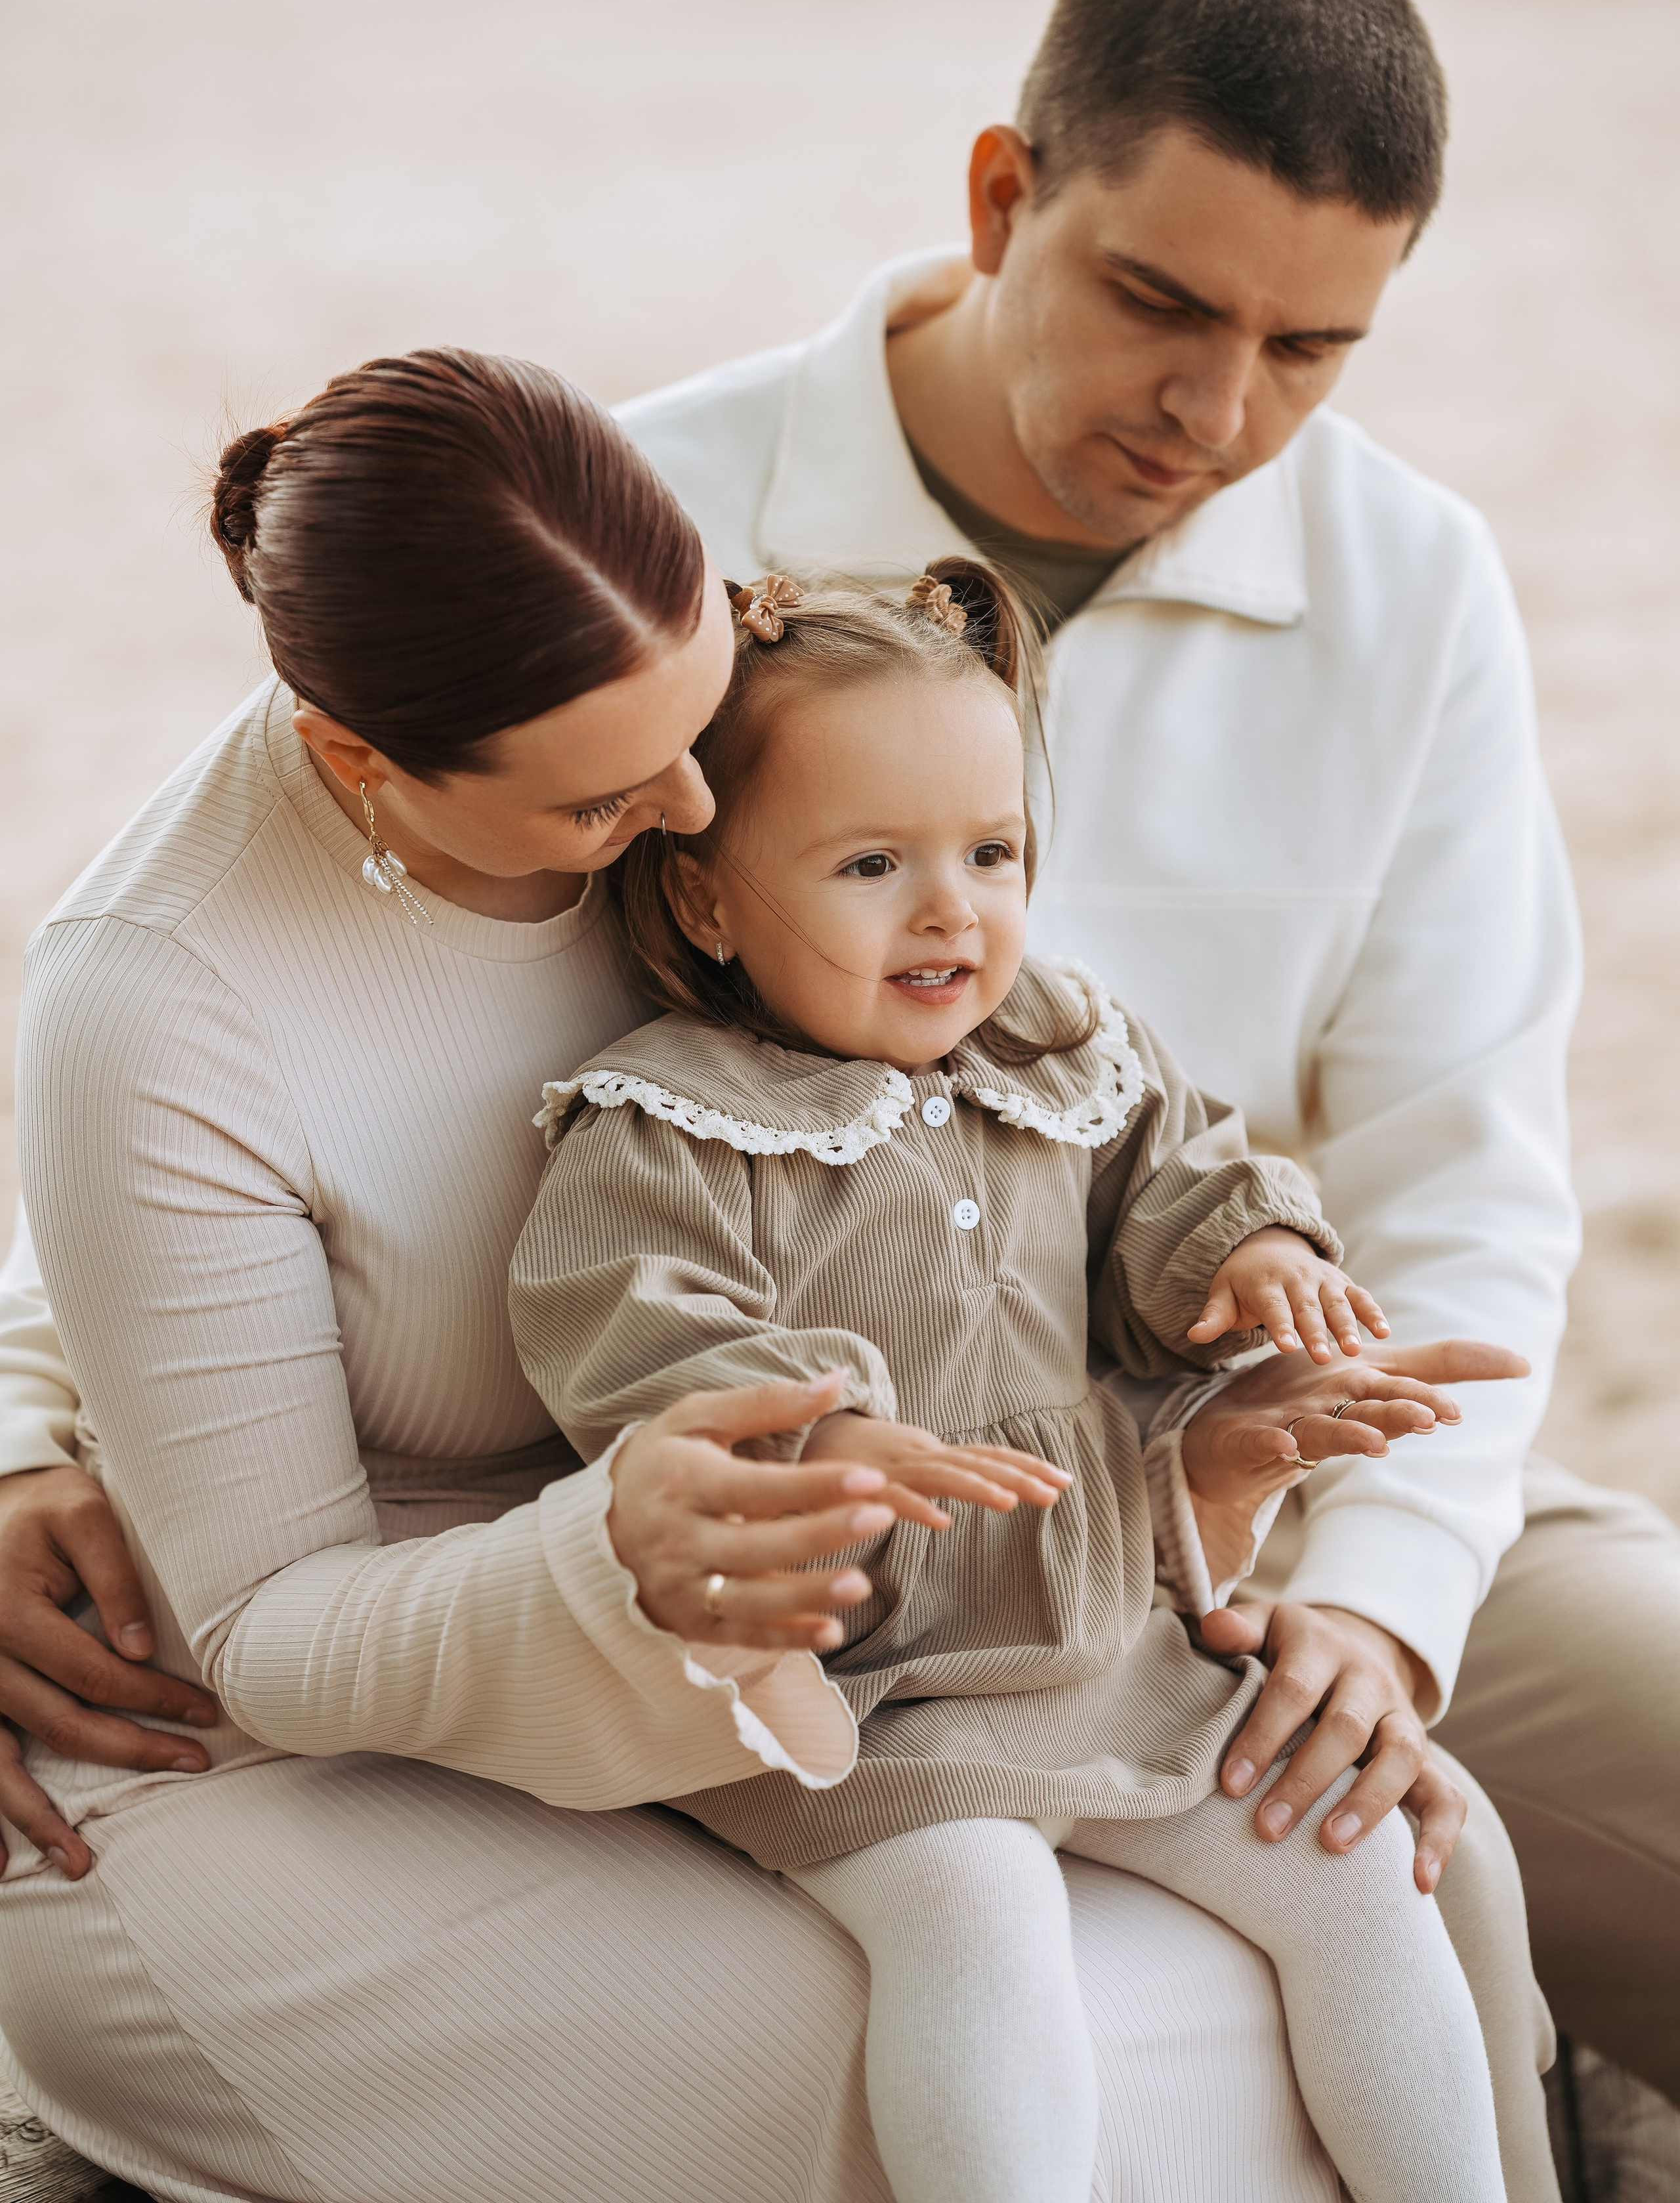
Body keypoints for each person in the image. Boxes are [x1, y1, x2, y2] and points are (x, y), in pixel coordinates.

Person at [3, 345, 1528, 2203]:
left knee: (1420, 1857)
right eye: (603, 807)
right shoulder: (158, 994)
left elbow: (1064, 1139)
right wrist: (24, 1446)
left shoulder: (673, 687)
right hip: (325, 1712)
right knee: (1021, 2056)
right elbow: (138, 1308)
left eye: (703, 706)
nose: (694, 809)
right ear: (358, 762)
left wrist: (1222, 1445)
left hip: (879, 1592)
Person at [589, 0, 1678, 2099]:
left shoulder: (1412, 582)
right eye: (1162, 304)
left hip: (1277, 1487)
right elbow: (261, 980)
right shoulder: (640, 524)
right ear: (1004, 198)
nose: (1218, 410)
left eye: (1311, 349)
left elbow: (1462, 1179)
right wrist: (35, 1432)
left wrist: (1381, 1604)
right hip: (848, 1542)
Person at [511, 555, 1532, 2203]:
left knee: (1354, 1871)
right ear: (703, 901)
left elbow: (1182, 1174)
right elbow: (630, 1330)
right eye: (871, 865)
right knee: (977, 1909)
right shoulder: (668, 1125)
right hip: (862, 1685)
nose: (952, 912)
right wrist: (821, 1430)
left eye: (991, 853)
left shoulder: (1057, 1050)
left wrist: (1255, 1255)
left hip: (1097, 1633)